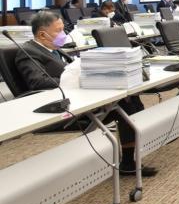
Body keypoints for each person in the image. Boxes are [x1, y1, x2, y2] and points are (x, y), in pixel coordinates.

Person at [17, 11, 154, 176]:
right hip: (59, 109)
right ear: (42, 34)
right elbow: (38, 83)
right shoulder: (28, 52)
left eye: (63, 29)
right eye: (58, 31)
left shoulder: (54, 49)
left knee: (129, 98)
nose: (63, 34)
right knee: (125, 104)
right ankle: (128, 162)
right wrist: (78, 79)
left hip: (79, 97)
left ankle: (130, 159)